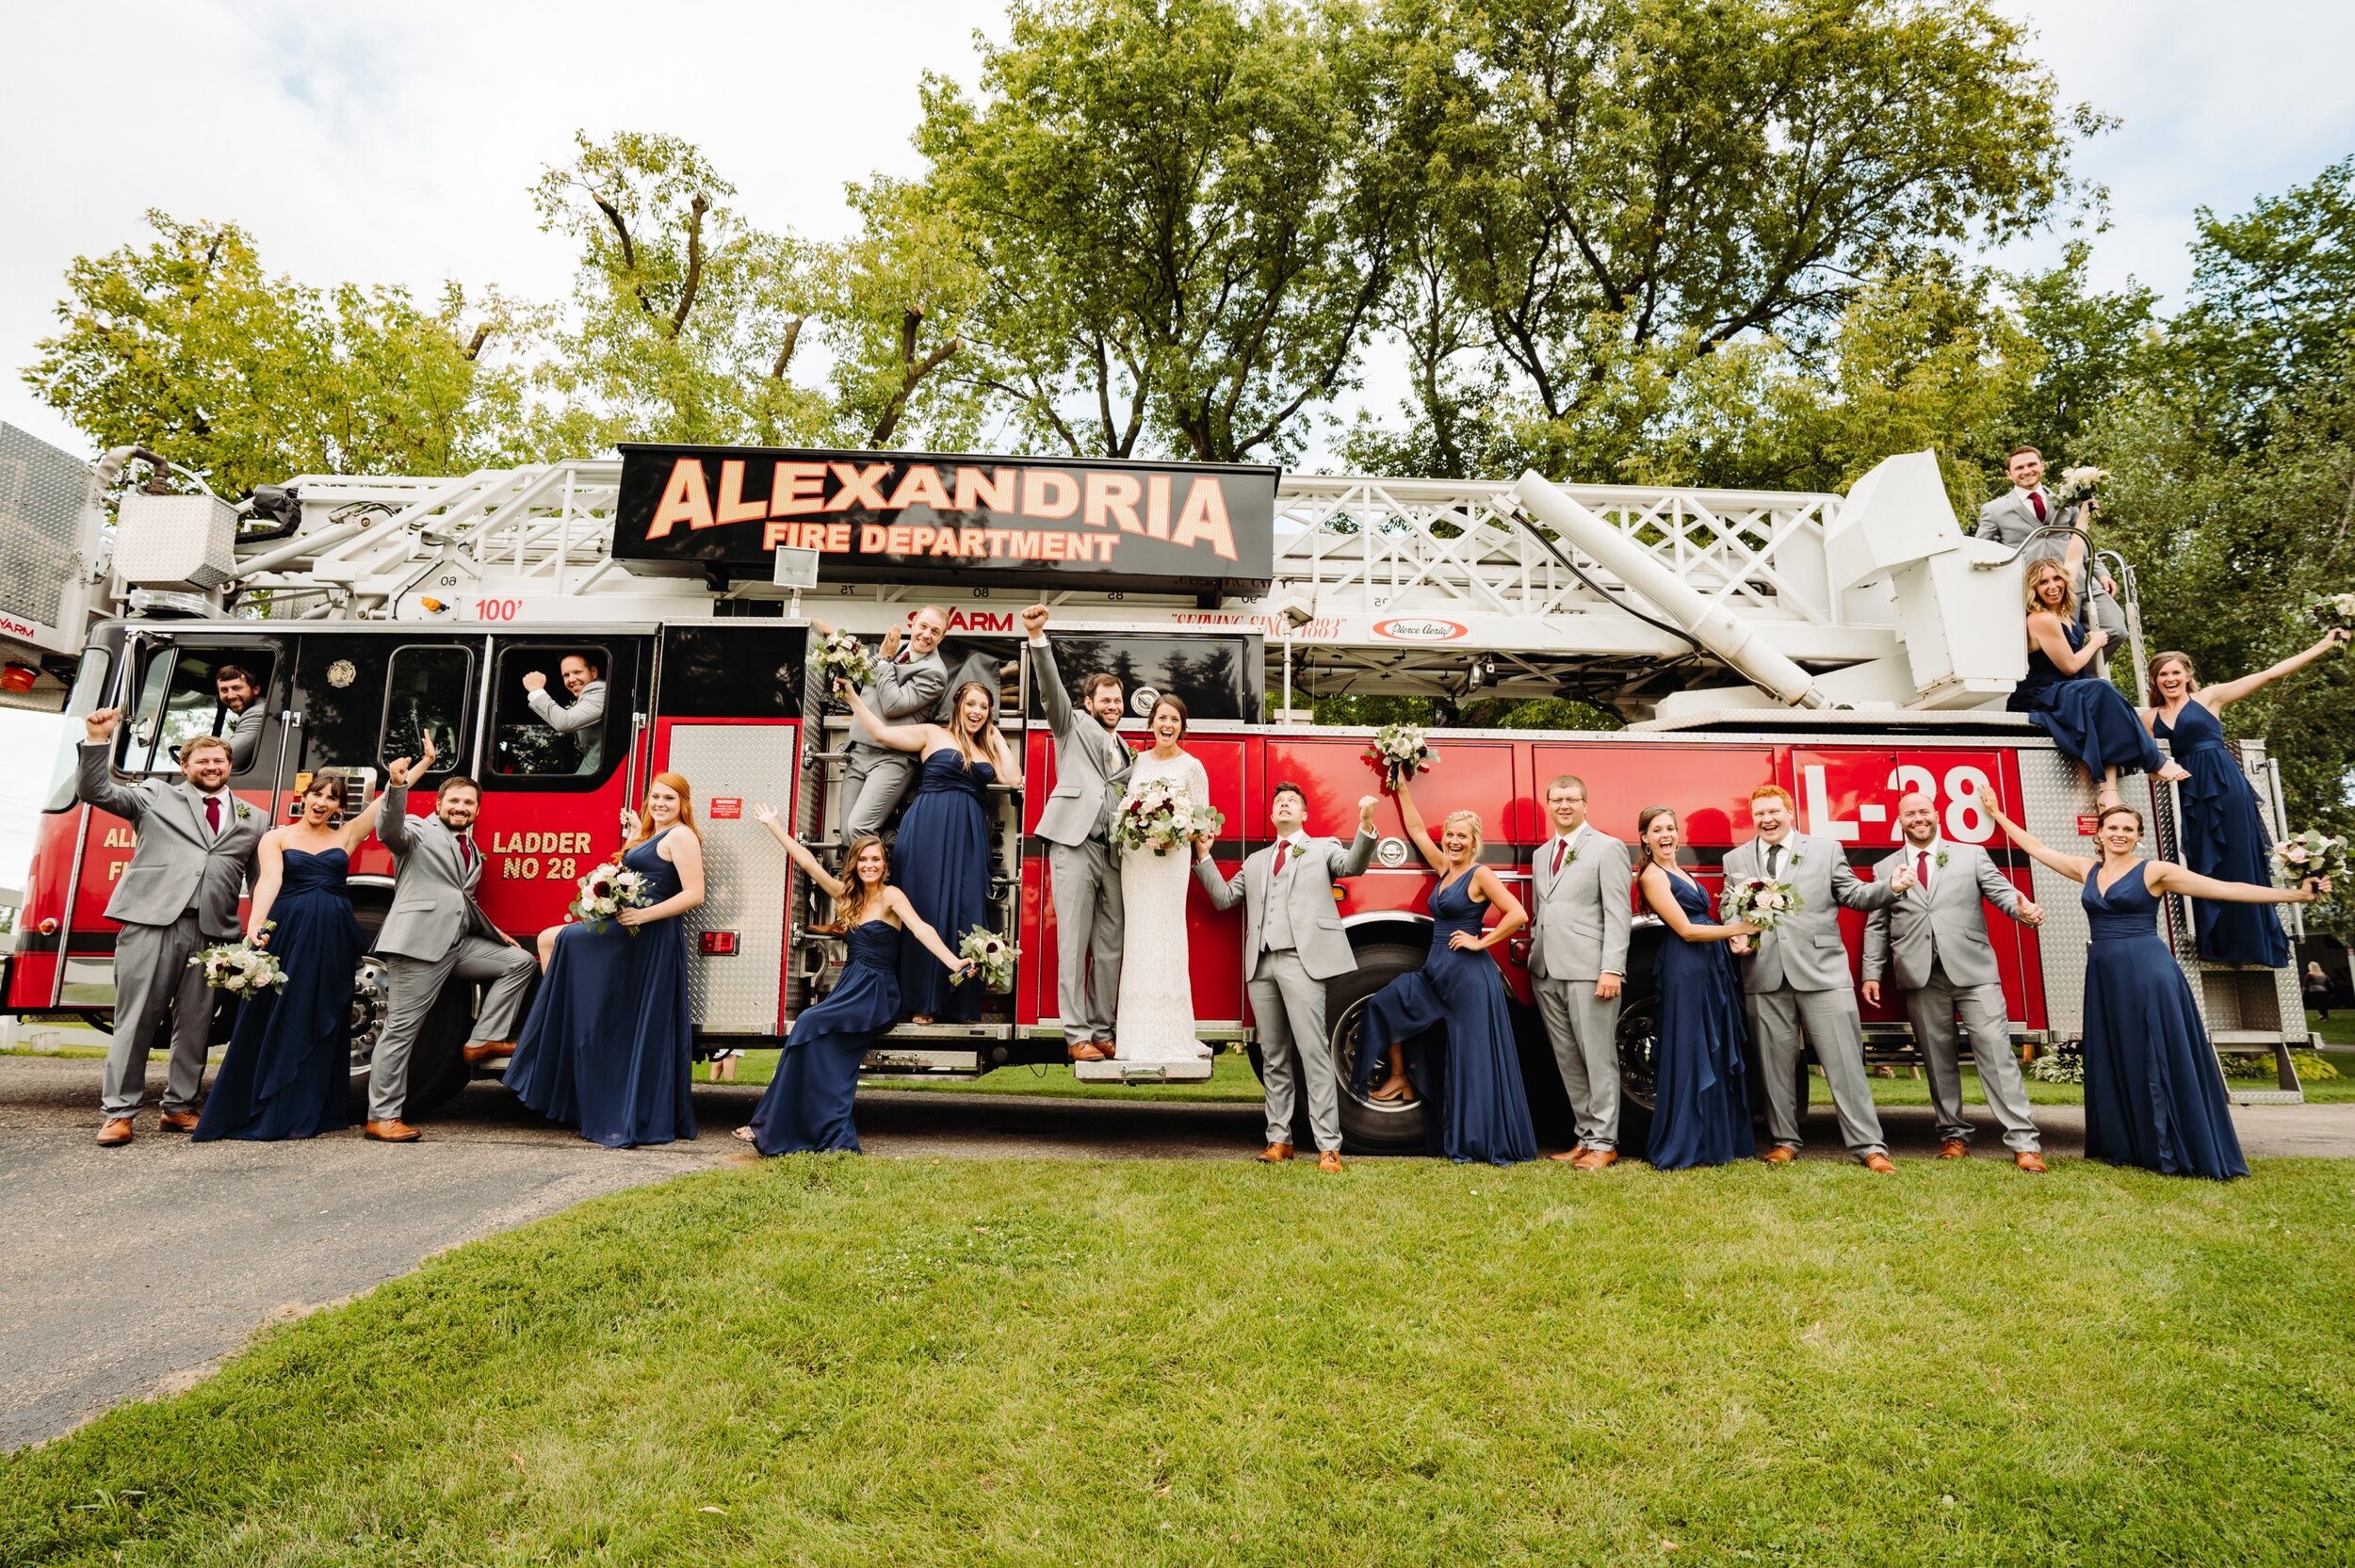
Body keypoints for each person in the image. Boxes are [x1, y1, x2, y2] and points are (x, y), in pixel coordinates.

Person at [1985, 796, 2328, 1179]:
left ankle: (2176, 1145)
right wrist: (1998, 815)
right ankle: (2130, 1144)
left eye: (2128, 829)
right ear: (2098, 834)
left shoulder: (2155, 871)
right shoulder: (2087, 870)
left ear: (2138, 836)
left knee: (2158, 1052)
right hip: (2105, 976)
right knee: (2121, 1053)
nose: (2119, 834)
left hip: (2149, 972)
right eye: (2112, 828)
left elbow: (2224, 889)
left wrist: (2296, 895)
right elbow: (2037, 848)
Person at [75, 712, 268, 1146]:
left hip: (214, 933)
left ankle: (179, 1107)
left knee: (197, 1024)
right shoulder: (153, 795)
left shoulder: (252, 817)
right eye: (202, 761)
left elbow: (261, 879)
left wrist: (259, 929)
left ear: (230, 765)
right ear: (185, 766)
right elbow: (95, 790)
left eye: (219, 761)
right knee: (137, 1020)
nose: (212, 767)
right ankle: (119, 1113)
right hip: (151, 924)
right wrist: (96, 739)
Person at [737, 821, 972, 1154]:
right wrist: (774, 825)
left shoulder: (892, 896)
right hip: (849, 988)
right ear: (854, 865)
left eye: (875, 859)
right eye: (862, 860)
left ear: (885, 865)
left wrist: (952, 961)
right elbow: (807, 862)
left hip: (877, 993)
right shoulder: (846, 897)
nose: (869, 865)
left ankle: (766, 1124)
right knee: (817, 1046)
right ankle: (779, 1126)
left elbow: (921, 929)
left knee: (807, 1024)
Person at [505, 775, 706, 1148]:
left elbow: (694, 894)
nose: (660, 803)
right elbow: (641, 872)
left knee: (552, 939)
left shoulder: (682, 836)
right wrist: (631, 840)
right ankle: (570, 1024)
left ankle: (562, 1021)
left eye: (669, 798)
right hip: (626, 927)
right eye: (655, 797)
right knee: (605, 1003)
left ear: (683, 803)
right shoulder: (653, 834)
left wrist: (644, 916)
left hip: (647, 933)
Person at [1724, 783, 1912, 1171]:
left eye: (1774, 811)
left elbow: (1855, 896)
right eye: (1760, 813)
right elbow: (1731, 908)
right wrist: (1736, 933)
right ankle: (1784, 1141)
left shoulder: (1826, 851)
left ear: (1790, 812)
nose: (1767, 819)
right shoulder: (1736, 859)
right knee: (1774, 1066)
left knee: (1844, 1062)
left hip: (1823, 972)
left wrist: (1891, 888)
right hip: (1764, 974)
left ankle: (1869, 1146)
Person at [194, 768, 389, 1141]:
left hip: (333, 935)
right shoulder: (276, 837)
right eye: (318, 794)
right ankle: (265, 1105)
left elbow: (385, 801)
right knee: (282, 1012)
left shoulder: (345, 836)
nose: (322, 802)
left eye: (332, 798)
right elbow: (269, 880)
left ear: (339, 807)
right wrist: (256, 924)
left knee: (321, 1012)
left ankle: (308, 1109)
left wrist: (413, 770)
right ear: (305, 797)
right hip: (291, 930)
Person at [1860, 792, 2049, 1172]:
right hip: (1920, 975)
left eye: (1924, 811)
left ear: (1936, 815)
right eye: (1910, 814)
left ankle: (2024, 1143)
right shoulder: (1885, 868)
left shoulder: (1971, 854)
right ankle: (1954, 1135)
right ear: (1900, 821)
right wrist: (1870, 972)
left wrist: (2023, 909)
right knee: (1937, 1059)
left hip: (1974, 971)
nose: (1918, 818)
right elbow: (1876, 926)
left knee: (1997, 1054)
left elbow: (2000, 892)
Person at [1195, 784, 1380, 1172]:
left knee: (1313, 1053)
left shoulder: (1321, 847)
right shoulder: (1257, 860)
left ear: (1304, 814)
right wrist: (1203, 856)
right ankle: (1279, 1139)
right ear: (1272, 814)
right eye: (1279, 801)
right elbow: (1225, 898)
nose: (1284, 804)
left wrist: (1365, 823)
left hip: (1303, 962)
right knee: (1273, 1056)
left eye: (1291, 801)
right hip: (1261, 966)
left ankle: (1329, 1146)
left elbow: (1353, 866)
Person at [1355, 777, 1537, 1166]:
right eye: (1451, 835)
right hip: (1435, 974)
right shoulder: (1444, 868)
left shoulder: (1480, 874)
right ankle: (1400, 1077)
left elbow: (1518, 914)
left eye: (1462, 837)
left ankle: (1477, 1142)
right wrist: (1400, 787)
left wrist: (1479, 942)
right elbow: (1419, 831)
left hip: (1470, 978)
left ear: (1475, 842)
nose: (1454, 841)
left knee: (1471, 1062)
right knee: (1386, 1003)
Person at [2142, 633, 2349, 966]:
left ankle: (2253, 944)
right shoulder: (2148, 719)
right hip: (2188, 794)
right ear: (2154, 680)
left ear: (2188, 675)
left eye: (2176, 672)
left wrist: (2324, 644)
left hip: (2225, 787)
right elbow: (2148, 765)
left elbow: (2269, 674)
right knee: (2203, 865)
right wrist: (2163, 773)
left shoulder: (2210, 698)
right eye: (2163, 674)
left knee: (2238, 857)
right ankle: (2219, 946)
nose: (2170, 679)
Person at [369, 739, 539, 1141]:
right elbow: (388, 829)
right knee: (401, 1031)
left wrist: (494, 933)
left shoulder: (472, 849)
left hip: (457, 945)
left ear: (477, 811)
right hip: (417, 945)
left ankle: (483, 1040)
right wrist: (397, 788)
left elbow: (461, 899)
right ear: (439, 804)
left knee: (520, 963)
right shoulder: (417, 832)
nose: (461, 808)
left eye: (469, 804)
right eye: (455, 801)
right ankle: (382, 1116)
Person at [837, 676, 1021, 1025]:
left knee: (967, 910)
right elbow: (880, 733)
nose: (977, 711)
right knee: (926, 910)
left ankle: (958, 1001)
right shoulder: (932, 734)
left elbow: (1013, 778)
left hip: (968, 835)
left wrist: (996, 736)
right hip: (927, 829)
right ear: (958, 705)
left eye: (984, 707)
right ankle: (923, 1002)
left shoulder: (987, 747)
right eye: (971, 704)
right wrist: (853, 698)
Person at [1021, 603, 1133, 1062]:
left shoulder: (1127, 749)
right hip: (1073, 844)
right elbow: (1051, 694)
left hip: (1112, 853)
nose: (1112, 706)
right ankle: (1076, 1036)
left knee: (1110, 944)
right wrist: (1037, 638)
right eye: (1105, 699)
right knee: (1073, 940)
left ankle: (1104, 1028)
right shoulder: (1072, 726)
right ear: (1090, 703)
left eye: (1117, 701)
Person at [1633, 806, 1760, 1170]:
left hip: (1710, 963)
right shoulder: (1653, 876)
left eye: (1670, 827)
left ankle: (1716, 1139)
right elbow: (1686, 930)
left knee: (1714, 1043)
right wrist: (1739, 929)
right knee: (1690, 1048)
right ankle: (1685, 1140)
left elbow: (1703, 920)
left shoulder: (1679, 870)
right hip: (1685, 964)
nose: (1665, 835)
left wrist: (1733, 940)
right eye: (1657, 830)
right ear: (1645, 838)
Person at [2009, 559, 2189, 811]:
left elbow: (2072, 559)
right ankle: (2154, 762)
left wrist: (2082, 519)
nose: (2052, 586)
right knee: (2100, 690)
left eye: (2056, 579)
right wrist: (2095, 642)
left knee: (2102, 701)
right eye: (2043, 582)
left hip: (2069, 689)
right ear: (2033, 589)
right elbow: (2069, 666)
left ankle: (2108, 790)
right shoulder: (2041, 619)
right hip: (2041, 693)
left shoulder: (2064, 614)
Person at [1527, 773, 1634, 1169]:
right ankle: (1585, 1136)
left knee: (1597, 1058)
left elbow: (1617, 914)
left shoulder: (1607, 848)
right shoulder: (1542, 854)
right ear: (1549, 805)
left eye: (1572, 799)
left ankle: (1606, 1143)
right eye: (1557, 800)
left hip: (1591, 971)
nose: (1564, 806)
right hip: (1546, 970)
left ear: (1585, 804)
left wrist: (1611, 969)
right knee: (1568, 1060)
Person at [1112, 694, 1215, 1066]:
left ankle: (1171, 1034)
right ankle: (1136, 1035)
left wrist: (1175, 832)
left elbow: (1204, 825)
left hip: (1171, 861)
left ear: (1182, 727)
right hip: (1137, 861)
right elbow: (1122, 807)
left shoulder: (1193, 767)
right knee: (1139, 938)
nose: (1167, 725)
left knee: (1168, 938)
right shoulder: (1136, 762)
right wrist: (1139, 822)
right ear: (1151, 724)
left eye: (1174, 719)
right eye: (1161, 718)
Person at [1974, 444, 2125, 644]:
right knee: (2065, 641)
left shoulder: (2066, 499)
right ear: (2008, 474)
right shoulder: (1994, 510)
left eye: (2031, 464)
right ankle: (2073, 669)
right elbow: (1982, 550)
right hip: (2041, 589)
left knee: (2117, 629)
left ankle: (2084, 672)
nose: (2027, 471)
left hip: (2078, 579)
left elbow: (2081, 538)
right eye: (2019, 468)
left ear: (2042, 466)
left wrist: (2101, 572)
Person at [821, 606, 950, 840]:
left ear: (942, 637)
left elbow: (894, 704)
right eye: (923, 626)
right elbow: (865, 679)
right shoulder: (896, 648)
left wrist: (884, 661)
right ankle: (852, 878)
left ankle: (875, 876)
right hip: (859, 749)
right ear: (913, 624)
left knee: (859, 828)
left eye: (935, 631)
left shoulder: (936, 673)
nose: (926, 635)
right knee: (846, 833)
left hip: (892, 758)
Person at [522, 653, 607, 774]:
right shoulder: (588, 695)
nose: (571, 679)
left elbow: (565, 722)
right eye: (566, 675)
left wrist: (536, 690)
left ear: (593, 672)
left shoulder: (599, 690)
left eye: (577, 672)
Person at [214, 664, 268, 771]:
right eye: (224, 690)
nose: (231, 695)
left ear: (255, 689)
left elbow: (223, 761)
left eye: (237, 688)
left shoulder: (257, 713)